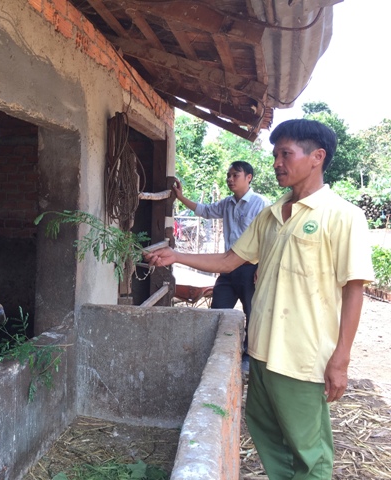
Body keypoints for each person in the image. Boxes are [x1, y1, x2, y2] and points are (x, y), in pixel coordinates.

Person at [146, 119, 374, 479]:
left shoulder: (343, 216)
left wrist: (341, 359)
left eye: (286, 153)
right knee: (269, 438)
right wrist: (177, 256)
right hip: (263, 350)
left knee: (309, 451)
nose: (277, 162)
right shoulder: (270, 215)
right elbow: (228, 261)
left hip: (302, 356)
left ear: (317, 157)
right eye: (275, 154)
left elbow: (354, 289)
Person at [174, 161, 270, 365]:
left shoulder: (261, 204)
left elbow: (270, 238)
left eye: (235, 175)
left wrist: (262, 266)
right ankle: (214, 354)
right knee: (218, 310)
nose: (230, 179)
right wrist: (181, 198)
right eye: (228, 175)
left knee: (252, 314)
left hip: (251, 268)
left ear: (249, 178)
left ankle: (248, 358)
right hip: (227, 268)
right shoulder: (227, 203)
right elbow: (205, 211)